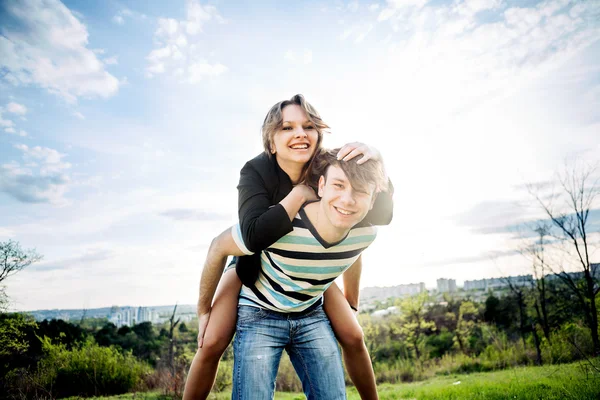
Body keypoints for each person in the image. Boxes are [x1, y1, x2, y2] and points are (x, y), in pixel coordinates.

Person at [183, 95, 393, 399]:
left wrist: (377, 155)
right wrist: (298, 195)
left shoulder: (329, 167)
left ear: (319, 135)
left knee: (352, 334)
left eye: (308, 126)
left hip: (309, 265)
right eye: (287, 128)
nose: (300, 134)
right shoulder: (257, 171)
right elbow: (251, 237)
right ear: (271, 142)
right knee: (212, 341)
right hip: (252, 262)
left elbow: (359, 232)